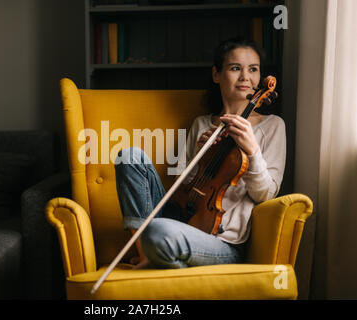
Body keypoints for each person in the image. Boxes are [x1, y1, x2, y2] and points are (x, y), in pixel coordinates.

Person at [114, 37, 286, 269]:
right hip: (180, 218)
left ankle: (161, 252)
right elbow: (182, 187)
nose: (246, 77)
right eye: (236, 68)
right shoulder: (201, 124)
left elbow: (267, 194)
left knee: (158, 231)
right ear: (216, 75)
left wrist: (252, 150)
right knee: (129, 156)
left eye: (253, 69)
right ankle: (146, 252)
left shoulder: (273, 126)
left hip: (221, 241)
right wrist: (200, 156)